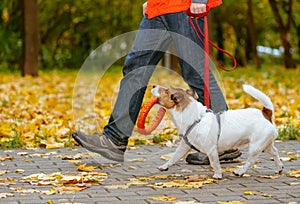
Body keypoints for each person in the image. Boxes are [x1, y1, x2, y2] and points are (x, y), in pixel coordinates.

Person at [72, 0, 241, 164]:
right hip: (158, 8)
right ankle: (114, 139)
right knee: (136, 67)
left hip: (185, 7)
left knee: (196, 73)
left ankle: (223, 142)